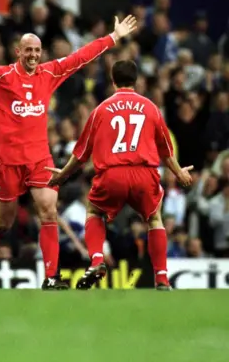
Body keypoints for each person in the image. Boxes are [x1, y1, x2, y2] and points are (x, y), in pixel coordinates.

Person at [0, 15, 138, 289]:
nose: (33, 55)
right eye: (28, 50)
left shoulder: (49, 73)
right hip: (9, 164)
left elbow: (80, 57)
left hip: (39, 161)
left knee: (48, 211)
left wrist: (113, 38)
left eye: (37, 50)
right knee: (3, 224)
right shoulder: (1, 78)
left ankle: (51, 277)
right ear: (18, 52)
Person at [45, 59, 193, 290]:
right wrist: (179, 172)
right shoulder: (151, 108)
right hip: (144, 173)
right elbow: (165, 150)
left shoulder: (100, 110)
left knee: (94, 211)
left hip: (112, 174)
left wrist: (62, 175)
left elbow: (82, 154)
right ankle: (162, 278)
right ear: (137, 80)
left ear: (113, 81)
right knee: (154, 219)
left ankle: (96, 260)